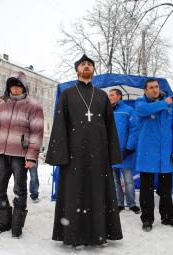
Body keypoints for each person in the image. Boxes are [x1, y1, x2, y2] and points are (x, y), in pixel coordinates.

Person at [46, 54, 123, 248]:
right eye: (83, 64)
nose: (86, 67)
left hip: (98, 154)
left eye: (90, 64)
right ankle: (74, 235)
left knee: (98, 192)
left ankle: (99, 233)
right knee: (74, 193)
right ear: (77, 69)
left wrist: (112, 152)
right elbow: (60, 125)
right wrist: (60, 154)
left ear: (93, 70)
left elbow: (110, 126)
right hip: (74, 154)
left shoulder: (101, 96)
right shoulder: (67, 94)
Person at [0, 72, 44, 238]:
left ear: (24, 86)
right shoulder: (2, 105)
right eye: (12, 85)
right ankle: (5, 222)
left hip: (20, 155)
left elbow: (36, 132)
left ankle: (17, 225)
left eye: (18, 85)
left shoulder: (34, 106)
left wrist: (32, 156)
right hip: (1, 154)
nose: (15, 89)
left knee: (19, 190)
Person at [135, 79, 173, 231]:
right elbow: (144, 111)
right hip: (148, 153)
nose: (155, 90)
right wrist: (165, 103)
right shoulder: (140, 102)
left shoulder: (169, 105)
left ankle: (167, 217)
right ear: (145, 90)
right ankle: (147, 219)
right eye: (151, 87)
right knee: (146, 190)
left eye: (156, 87)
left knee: (166, 188)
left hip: (165, 154)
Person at [108, 88, 140, 214]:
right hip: (110, 151)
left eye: (112, 95)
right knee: (115, 180)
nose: (109, 97)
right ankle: (119, 203)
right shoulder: (106, 111)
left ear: (119, 96)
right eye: (108, 95)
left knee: (128, 180)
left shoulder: (129, 111)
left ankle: (132, 204)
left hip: (124, 151)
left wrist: (129, 147)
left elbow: (134, 129)